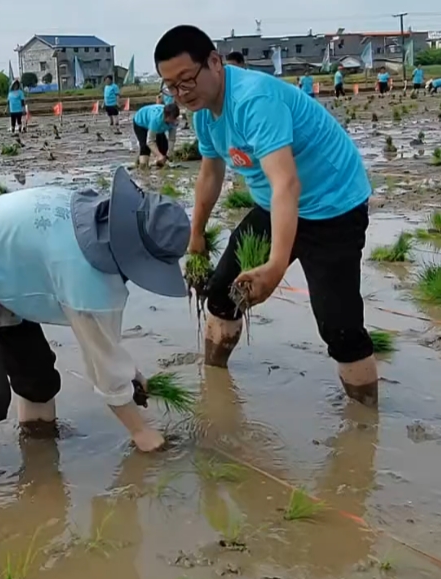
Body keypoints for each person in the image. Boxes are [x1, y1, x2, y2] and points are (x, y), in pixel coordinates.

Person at [154, 25, 378, 407]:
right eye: (171, 87)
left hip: (332, 205)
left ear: (214, 62)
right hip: (276, 204)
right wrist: (196, 235)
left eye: (186, 80)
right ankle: (215, 390)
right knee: (223, 294)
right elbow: (211, 173)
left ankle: (365, 425)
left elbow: (286, 183)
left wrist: (275, 268)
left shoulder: (255, 100)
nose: (181, 93)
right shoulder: (204, 115)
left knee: (339, 327)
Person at [0, 167, 190, 453]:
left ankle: (39, 459)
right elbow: (103, 367)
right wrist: (141, 431)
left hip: (1, 270)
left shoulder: (95, 214)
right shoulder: (86, 275)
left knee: (39, 381)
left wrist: (129, 370)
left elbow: (104, 347)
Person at [132, 101, 180, 168]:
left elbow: (171, 139)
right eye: (172, 118)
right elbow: (150, 141)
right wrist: (159, 155)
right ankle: (143, 167)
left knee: (164, 146)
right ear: (166, 116)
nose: (174, 121)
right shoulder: (156, 120)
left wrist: (169, 154)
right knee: (145, 146)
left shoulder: (174, 121)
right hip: (140, 122)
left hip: (157, 126)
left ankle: (159, 166)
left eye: (175, 118)